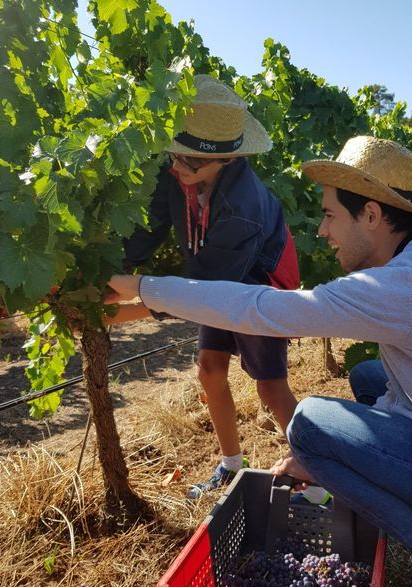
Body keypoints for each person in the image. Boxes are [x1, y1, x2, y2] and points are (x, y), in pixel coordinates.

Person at [105, 136, 412, 587]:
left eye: (331, 214)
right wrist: (334, 461)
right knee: (371, 379)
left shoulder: (401, 286)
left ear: (371, 215)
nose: (321, 230)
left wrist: (142, 286)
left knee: (311, 424)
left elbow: (264, 309)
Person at [112, 74, 307, 500]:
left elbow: (206, 289)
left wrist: (126, 308)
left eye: (191, 163)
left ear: (227, 159)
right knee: (210, 369)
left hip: (258, 287)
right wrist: (112, 269)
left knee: (269, 386)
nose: (177, 167)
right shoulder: (176, 174)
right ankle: (231, 466)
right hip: (214, 275)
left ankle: (313, 474)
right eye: (175, 155)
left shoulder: (243, 210)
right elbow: (148, 234)